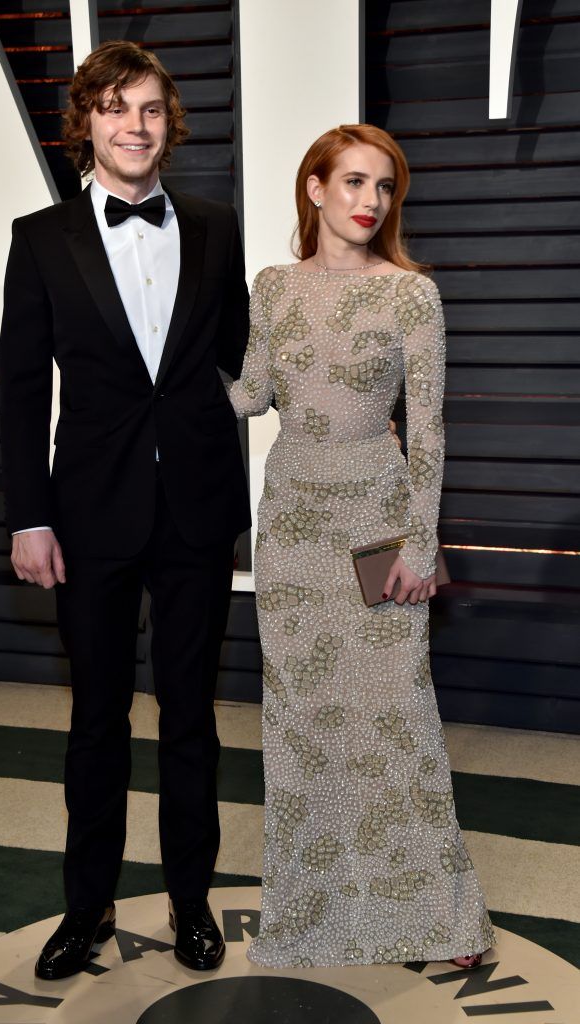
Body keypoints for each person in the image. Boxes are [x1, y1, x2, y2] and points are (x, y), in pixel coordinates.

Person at [0, 40, 250, 979]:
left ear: (168, 124)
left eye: (148, 108)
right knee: (96, 720)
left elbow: (244, 366)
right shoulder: (40, 237)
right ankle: (87, 908)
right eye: (113, 108)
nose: (133, 125)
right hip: (87, 517)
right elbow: (22, 392)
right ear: (86, 126)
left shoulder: (219, 229)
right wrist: (30, 517)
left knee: (192, 719)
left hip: (195, 511)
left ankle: (192, 904)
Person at [229, 125, 494, 969]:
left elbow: (430, 430)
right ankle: (314, 919)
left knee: (396, 715)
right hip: (293, 524)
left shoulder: (410, 295)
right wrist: (152, 360)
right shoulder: (272, 286)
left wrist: (421, 545)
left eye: (383, 187)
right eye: (352, 183)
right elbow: (252, 392)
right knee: (303, 725)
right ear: (314, 190)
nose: (370, 202)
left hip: (380, 520)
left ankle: (440, 919)